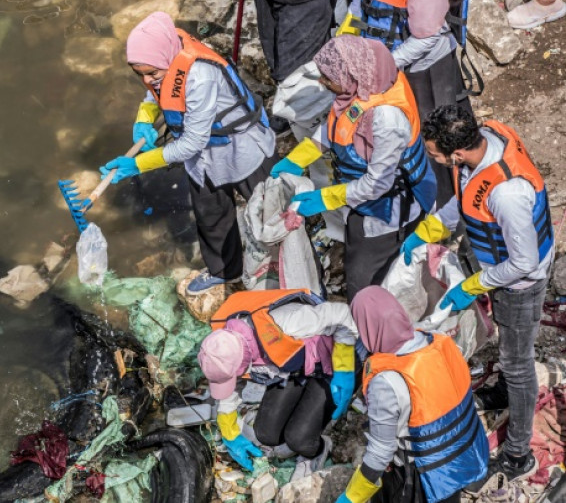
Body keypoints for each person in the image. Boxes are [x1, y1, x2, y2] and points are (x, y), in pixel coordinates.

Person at [400, 104, 552, 488]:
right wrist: (433, 227)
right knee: (508, 352)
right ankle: (504, 388)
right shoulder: (483, 140)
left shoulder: (507, 195)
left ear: (457, 152)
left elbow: (524, 263)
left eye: (433, 153)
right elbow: (466, 193)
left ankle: (518, 453)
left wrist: (472, 286)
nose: (430, 157)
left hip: (520, 283)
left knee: (518, 363)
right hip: (500, 267)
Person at [100, 11, 277, 295]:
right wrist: (143, 120)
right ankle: (223, 271)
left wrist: (140, 164)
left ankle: (291, 266)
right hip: (204, 161)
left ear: (166, 59)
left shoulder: (200, 76)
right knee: (211, 216)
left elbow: (192, 142)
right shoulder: (163, 62)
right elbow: (155, 93)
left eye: (152, 73)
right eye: (140, 74)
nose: (147, 80)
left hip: (240, 148)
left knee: (274, 210)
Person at [270, 36, 437, 302]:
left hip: (386, 213)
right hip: (360, 200)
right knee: (355, 253)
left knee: (363, 279)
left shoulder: (386, 119)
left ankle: (369, 328)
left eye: (328, 78)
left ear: (352, 76)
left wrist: (324, 199)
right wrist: (298, 158)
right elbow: (337, 126)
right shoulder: (364, 85)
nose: (322, 83)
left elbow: (377, 184)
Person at [336, 286, 488, 503]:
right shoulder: (439, 341)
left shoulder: (386, 382)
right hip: (461, 456)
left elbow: (381, 452)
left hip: (421, 475)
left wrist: (351, 497)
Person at [336, 0, 474, 206]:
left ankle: (452, 205)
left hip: (427, 70)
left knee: (440, 139)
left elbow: (426, 37)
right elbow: (361, 6)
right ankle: (423, 194)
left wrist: (383, 66)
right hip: (390, 64)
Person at [200, 288, 358, 479]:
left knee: (299, 440)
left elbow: (342, 315)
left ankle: (320, 449)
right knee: (266, 434)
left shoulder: (287, 323)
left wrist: (344, 368)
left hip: (332, 365)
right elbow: (226, 383)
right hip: (294, 369)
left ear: (244, 361)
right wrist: (229, 431)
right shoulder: (221, 344)